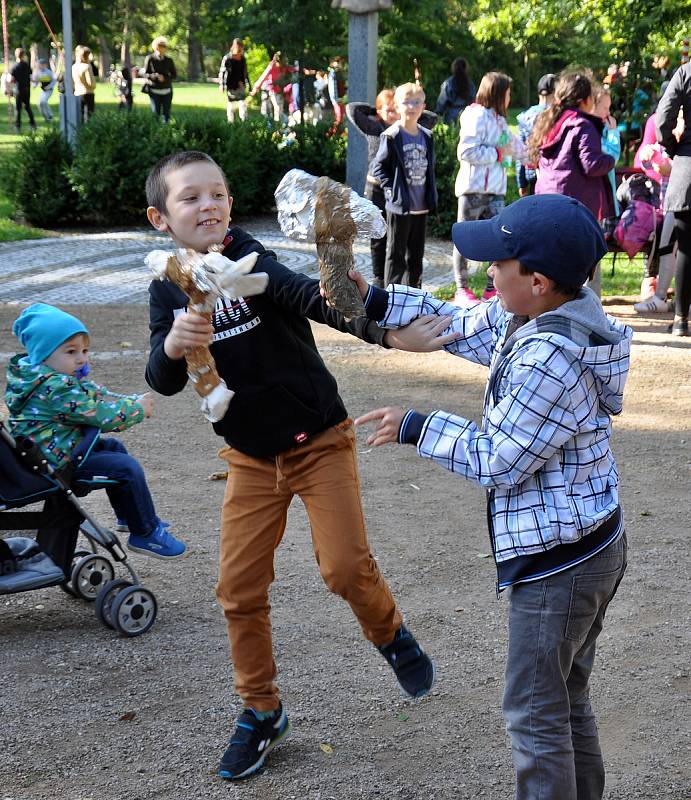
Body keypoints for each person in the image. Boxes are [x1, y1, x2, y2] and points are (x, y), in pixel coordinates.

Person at [143, 150, 435, 780]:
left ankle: (390, 634)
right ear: (160, 217)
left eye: (218, 193)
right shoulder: (165, 284)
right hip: (250, 458)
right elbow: (160, 378)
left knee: (344, 568)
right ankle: (261, 709)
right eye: (190, 197)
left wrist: (386, 335)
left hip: (319, 441)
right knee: (237, 590)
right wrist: (172, 344)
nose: (209, 206)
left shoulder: (250, 255)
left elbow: (309, 296)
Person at [354, 193, 631, 800]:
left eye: (496, 263)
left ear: (534, 280)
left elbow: (498, 460)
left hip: (562, 567)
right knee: (564, 697)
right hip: (587, 546)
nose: (485, 272)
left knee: (534, 714)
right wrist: (372, 299)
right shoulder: (546, 312)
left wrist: (416, 425)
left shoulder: (551, 358)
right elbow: (457, 322)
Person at [6, 303, 185, 560]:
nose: (81, 358)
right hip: (57, 461)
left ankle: (130, 515)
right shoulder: (56, 387)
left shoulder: (45, 377)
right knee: (126, 467)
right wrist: (136, 409)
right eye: (71, 351)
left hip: (52, 450)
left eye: (84, 350)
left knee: (113, 448)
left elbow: (96, 394)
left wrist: (130, 399)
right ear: (42, 354)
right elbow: (99, 414)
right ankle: (145, 533)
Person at [531, 70, 615, 297]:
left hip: (547, 201)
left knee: (552, 260)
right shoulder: (582, 124)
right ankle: (589, 311)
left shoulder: (550, 121)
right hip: (576, 207)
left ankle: (549, 306)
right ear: (586, 100)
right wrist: (610, 159)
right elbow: (592, 164)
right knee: (586, 259)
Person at [347, 90, 437, 287]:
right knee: (382, 239)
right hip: (382, 190)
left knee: (414, 253)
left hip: (411, 198)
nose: (410, 107)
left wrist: (411, 105)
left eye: (416, 103)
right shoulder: (377, 128)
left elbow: (430, 116)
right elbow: (352, 110)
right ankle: (382, 282)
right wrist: (377, 109)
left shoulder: (423, 133)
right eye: (405, 103)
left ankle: (413, 293)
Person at [452, 71, 525, 307]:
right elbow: (466, 152)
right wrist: (496, 154)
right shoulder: (475, 116)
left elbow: (515, 147)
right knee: (463, 238)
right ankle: (461, 288)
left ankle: (492, 288)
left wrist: (535, 153)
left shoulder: (499, 120)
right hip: (473, 189)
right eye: (508, 92)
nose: (510, 97)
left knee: (499, 238)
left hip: (496, 190)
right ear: (497, 93)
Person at [656, 64, 691, 335]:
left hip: (687, 168)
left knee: (687, 248)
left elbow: (664, 117)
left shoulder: (685, 72)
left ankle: (680, 319)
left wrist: (672, 146)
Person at [515, 73, 555, 197]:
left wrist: (521, 183)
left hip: (531, 171)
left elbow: (520, 150)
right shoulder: (557, 115)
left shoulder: (524, 116)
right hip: (552, 173)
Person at [250, 51, 293, 124]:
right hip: (270, 90)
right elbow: (263, 77)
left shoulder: (285, 67)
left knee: (279, 109)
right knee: (275, 109)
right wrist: (256, 88)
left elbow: (293, 70)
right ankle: (276, 126)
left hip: (279, 91)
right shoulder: (272, 65)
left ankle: (279, 126)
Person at [144, 36, 177, 123]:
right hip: (154, 90)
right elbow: (146, 74)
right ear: (156, 46)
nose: (162, 48)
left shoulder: (169, 60)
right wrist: (154, 76)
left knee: (167, 114)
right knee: (156, 113)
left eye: (164, 46)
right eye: (160, 45)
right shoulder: (150, 59)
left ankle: (166, 131)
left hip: (167, 90)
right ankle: (156, 131)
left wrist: (165, 78)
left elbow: (174, 75)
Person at [435, 57, 475, 125]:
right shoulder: (470, 84)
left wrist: (438, 113)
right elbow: (473, 100)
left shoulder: (448, 83)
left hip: (451, 116)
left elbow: (441, 102)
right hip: (467, 115)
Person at [218, 39, 250, 123]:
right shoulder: (227, 58)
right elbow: (222, 72)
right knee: (231, 105)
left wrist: (248, 84)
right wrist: (222, 84)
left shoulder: (242, 59)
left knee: (242, 104)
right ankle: (230, 122)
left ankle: (244, 122)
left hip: (241, 84)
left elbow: (245, 72)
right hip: (231, 85)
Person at [9, 49, 36, 133]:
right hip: (27, 89)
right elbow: (30, 74)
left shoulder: (14, 67)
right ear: (23, 55)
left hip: (18, 89)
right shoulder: (26, 65)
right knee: (27, 107)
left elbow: (12, 79)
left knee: (18, 108)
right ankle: (33, 124)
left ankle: (18, 126)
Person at [72, 45, 96, 122]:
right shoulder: (87, 66)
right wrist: (93, 85)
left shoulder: (74, 67)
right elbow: (90, 83)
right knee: (89, 116)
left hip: (77, 93)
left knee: (80, 116)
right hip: (88, 93)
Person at [33, 56, 56, 122]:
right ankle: (47, 117)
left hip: (49, 90)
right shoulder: (37, 72)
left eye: (41, 65)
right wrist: (34, 85)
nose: (39, 66)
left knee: (43, 102)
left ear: (44, 65)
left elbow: (54, 81)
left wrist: (49, 86)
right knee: (40, 104)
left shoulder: (49, 72)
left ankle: (50, 115)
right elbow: (36, 81)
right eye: (39, 65)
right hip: (43, 91)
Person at [327, 56, 347, 130]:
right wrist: (335, 100)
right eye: (337, 62)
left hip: (341, 99)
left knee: (341, 117)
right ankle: (334, 133)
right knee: (338, 118)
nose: (339, 64)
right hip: (337, 99)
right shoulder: (333, 74)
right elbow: (332, 88)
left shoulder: (340, 73)